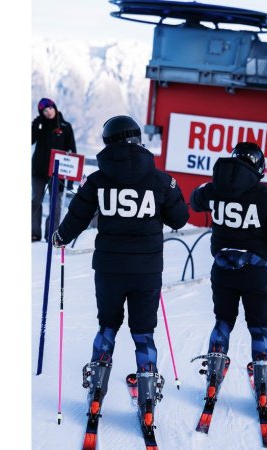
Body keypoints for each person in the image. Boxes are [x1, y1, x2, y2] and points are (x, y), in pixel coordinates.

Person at [51, 115, 189, 431]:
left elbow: (76, 217)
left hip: (109, 270)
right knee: (143, 333)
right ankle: (148, 401)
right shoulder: (160, 180)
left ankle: (97, 391)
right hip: (147, 270)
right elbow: (180, 219)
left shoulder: (97, 180)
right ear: (137, 140)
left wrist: (60, 236)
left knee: (108, 326)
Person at [188, 142, 267, 410]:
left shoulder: (215, 189)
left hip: (223, 269)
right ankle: (262, 387)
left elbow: (194, 200)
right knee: (258, 328)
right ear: (258, 166)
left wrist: (210, 190)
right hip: (256, 272)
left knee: (223, 321)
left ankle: (212, 378)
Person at [31, 98, 76, 242]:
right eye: (44, 110)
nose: (48, 112)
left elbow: (72, 151)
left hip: (58, 172)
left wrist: (70, 179)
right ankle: (34, 233)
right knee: (35, 201)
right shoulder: (39, 126)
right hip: (38, 171)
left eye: (50, 108)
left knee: (55, 205)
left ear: (54, 107)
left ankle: (52, 235)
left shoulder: (65, 126)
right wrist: (36, 125)